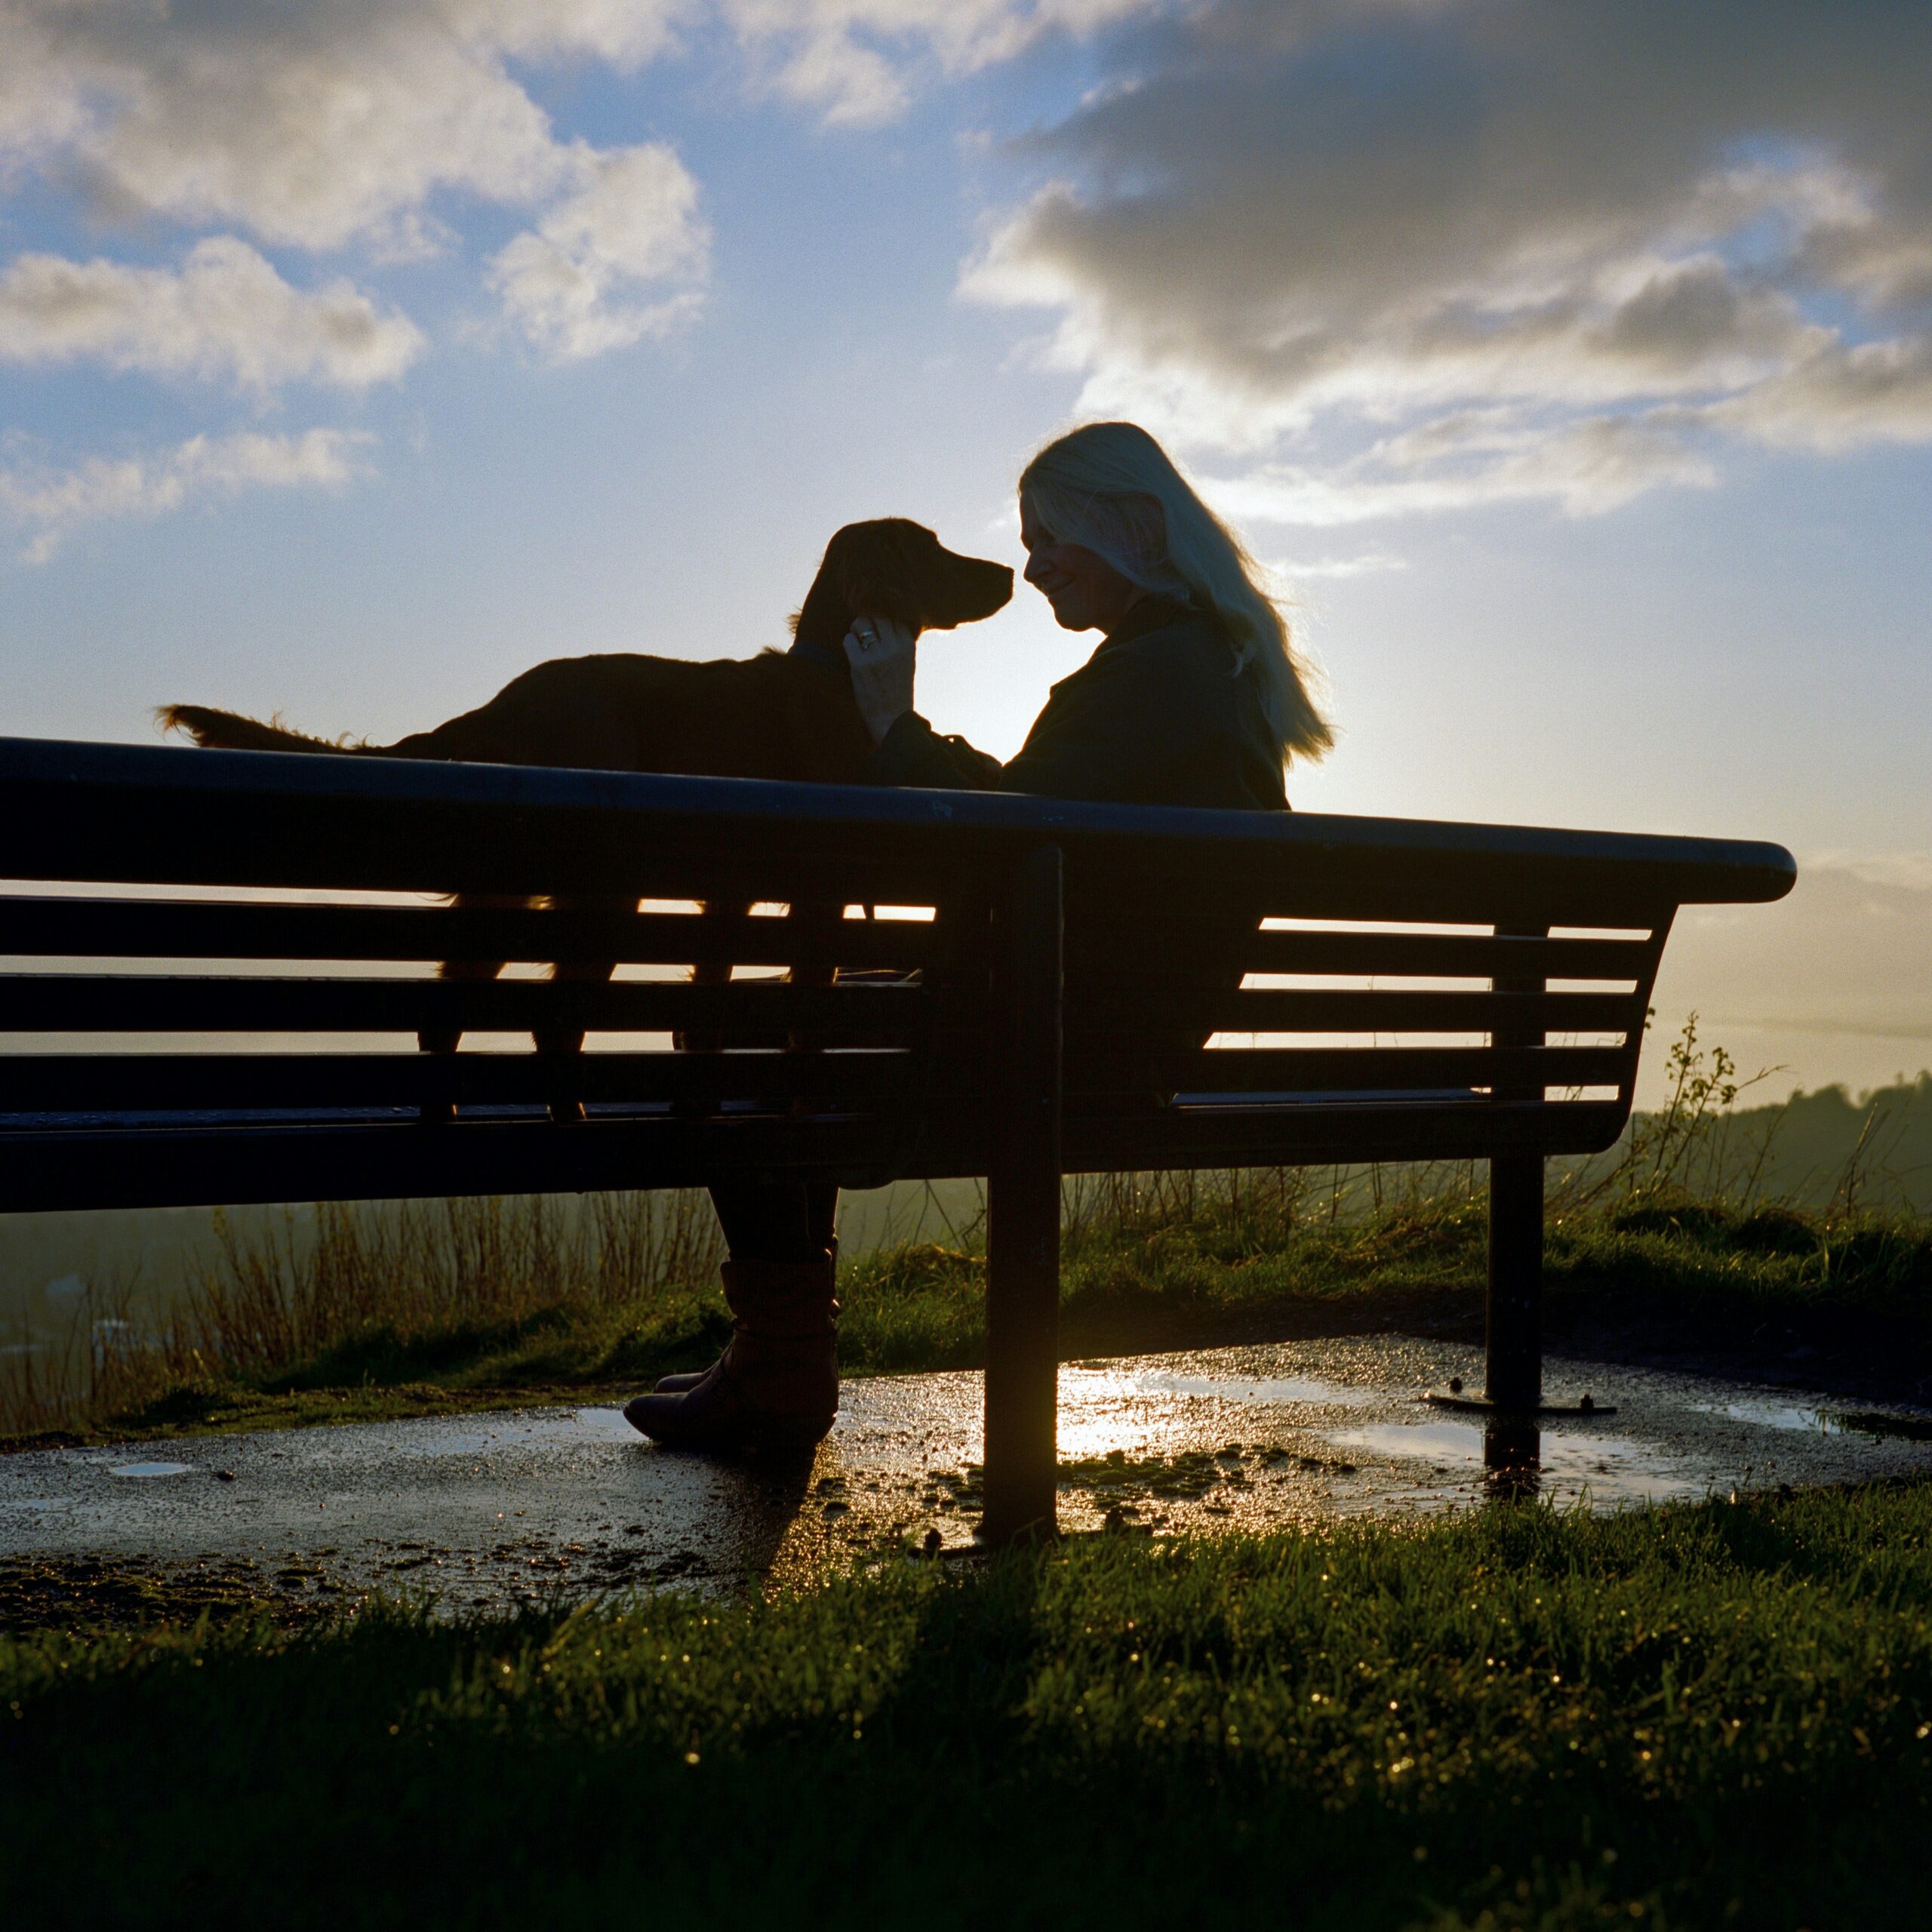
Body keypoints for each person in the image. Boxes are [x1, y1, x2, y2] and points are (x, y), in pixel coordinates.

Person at [623, 420, 1332, 1451]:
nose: (1035, 565)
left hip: (1046, 1050)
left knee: (724, 1031)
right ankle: (778, 1361)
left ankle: (779, 1366)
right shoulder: (1201, 670)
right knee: (792, 1019)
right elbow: (1037, 812)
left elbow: (995, 847)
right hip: (1113, 1036)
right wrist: (914, 742)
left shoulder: (1149, 677)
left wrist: (889, 724)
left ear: (1136, 526)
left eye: (1052, 537)